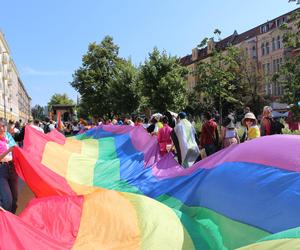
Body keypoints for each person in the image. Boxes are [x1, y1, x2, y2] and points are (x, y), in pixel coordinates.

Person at [0, 119, 17, 213]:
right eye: (1, 127)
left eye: (3, 126)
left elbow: (16, 148)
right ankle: (6, 222)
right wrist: (9, 150)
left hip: (13, 168)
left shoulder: (8, 136)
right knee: (8, 201)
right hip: (2, 170)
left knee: (15, 198)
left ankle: (12, 221)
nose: (2, 128)